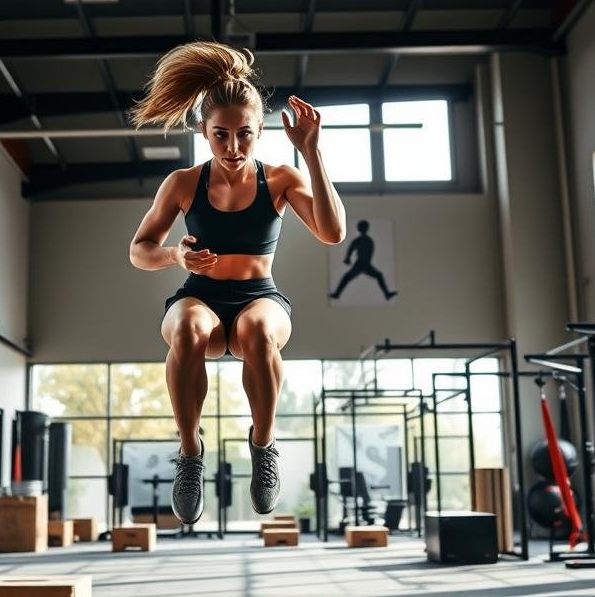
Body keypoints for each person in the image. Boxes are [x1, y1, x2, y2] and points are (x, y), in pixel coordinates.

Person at [128, 41, 346, 524]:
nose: (232, 147)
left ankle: (263, 447)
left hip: (259, 298)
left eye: (244, 135)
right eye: (220, 135)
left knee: (259, 332)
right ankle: (190, 455)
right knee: (185, 329)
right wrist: (174, 254)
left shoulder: (282, 178)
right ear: (204, 132)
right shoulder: (183, 182)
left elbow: (332, 233)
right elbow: (139, 250)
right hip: (199, 296)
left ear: (260, 130)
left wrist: (311, 151)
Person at [329, 219, 397, 301]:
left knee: (377, 275)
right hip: (361, 263)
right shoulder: (361, 240)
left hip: (364, 264)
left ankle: (387, 294)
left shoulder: (367, 240)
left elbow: (359, 251)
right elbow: (351, 249)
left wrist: (349, 258)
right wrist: (348, 258)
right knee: (347, 277)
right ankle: (337, 294)